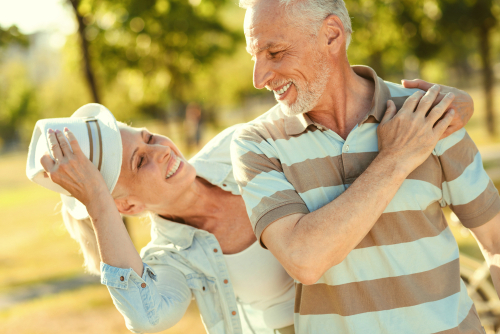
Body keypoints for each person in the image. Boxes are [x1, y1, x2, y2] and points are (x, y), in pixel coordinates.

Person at [231, 0, 500, 333]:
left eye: (274, 52)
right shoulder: (258, 144)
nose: (259, 78)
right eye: (253, 56)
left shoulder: (427, 114)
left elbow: (495, 236)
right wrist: (395, 158)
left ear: (331, 35)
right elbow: (305, 259)